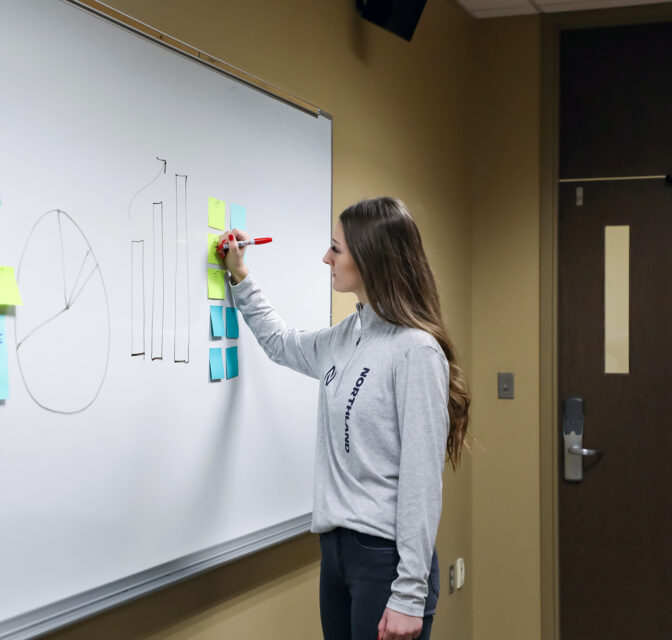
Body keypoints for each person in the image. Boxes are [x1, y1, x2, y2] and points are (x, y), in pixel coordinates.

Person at [219, 197, 470, 640]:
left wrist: (409, 595)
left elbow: (422, 481)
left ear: (371, 259)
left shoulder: (416, 351)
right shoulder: (349, 335)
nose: (326, 258)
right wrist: (241, 276)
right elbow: (281, 343)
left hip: (385, 561)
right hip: (336, 552)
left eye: (335, 249)